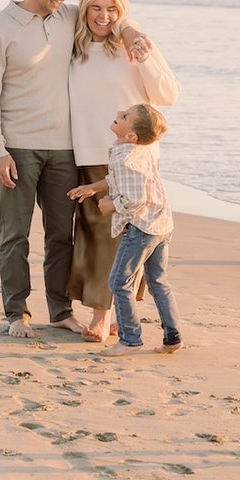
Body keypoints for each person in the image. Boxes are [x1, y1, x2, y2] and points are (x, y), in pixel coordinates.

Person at [0, 0, 147, 339]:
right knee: (15, 234)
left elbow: (108, 14)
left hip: (65, 149)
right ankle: (16, 313)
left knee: (60, 235)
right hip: (17, 147)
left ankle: (59, 310)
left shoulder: (69, 17)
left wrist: (131, 31)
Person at [68, 0, 180, 342]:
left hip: (134, 158)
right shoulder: (74, 46)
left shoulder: (135, 45)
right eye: (96, 8)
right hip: (89, 151)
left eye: (112, 9)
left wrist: (139, 48)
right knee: (98, 236)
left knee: (129, 236)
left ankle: (104, 315)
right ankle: (115, 308)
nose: (103, 16)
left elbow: (168, 94)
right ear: (84, 7)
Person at [68, 104, 182, 357]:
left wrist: (111, 204)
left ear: (131, 135)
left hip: (142, 228)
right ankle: (173, 336)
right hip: (161, 224)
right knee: (158, 282)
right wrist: (92, 188)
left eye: (124, 117)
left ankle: (130, 339)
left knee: (119, 282)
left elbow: (134, 199)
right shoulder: (138, 151)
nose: (117, 114)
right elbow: (116, 180)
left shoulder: (125, 158)